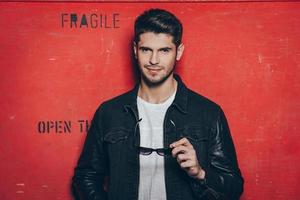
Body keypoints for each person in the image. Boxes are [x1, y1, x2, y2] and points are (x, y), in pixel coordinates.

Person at [72, 8, 244, 200]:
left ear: (178, 52)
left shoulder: (208, 113)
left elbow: (234, 187)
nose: (154, 60)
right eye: (146, 50)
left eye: (164, 50)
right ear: (135, 50)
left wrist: (200, 173)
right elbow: (85, 177)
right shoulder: (109, 112)